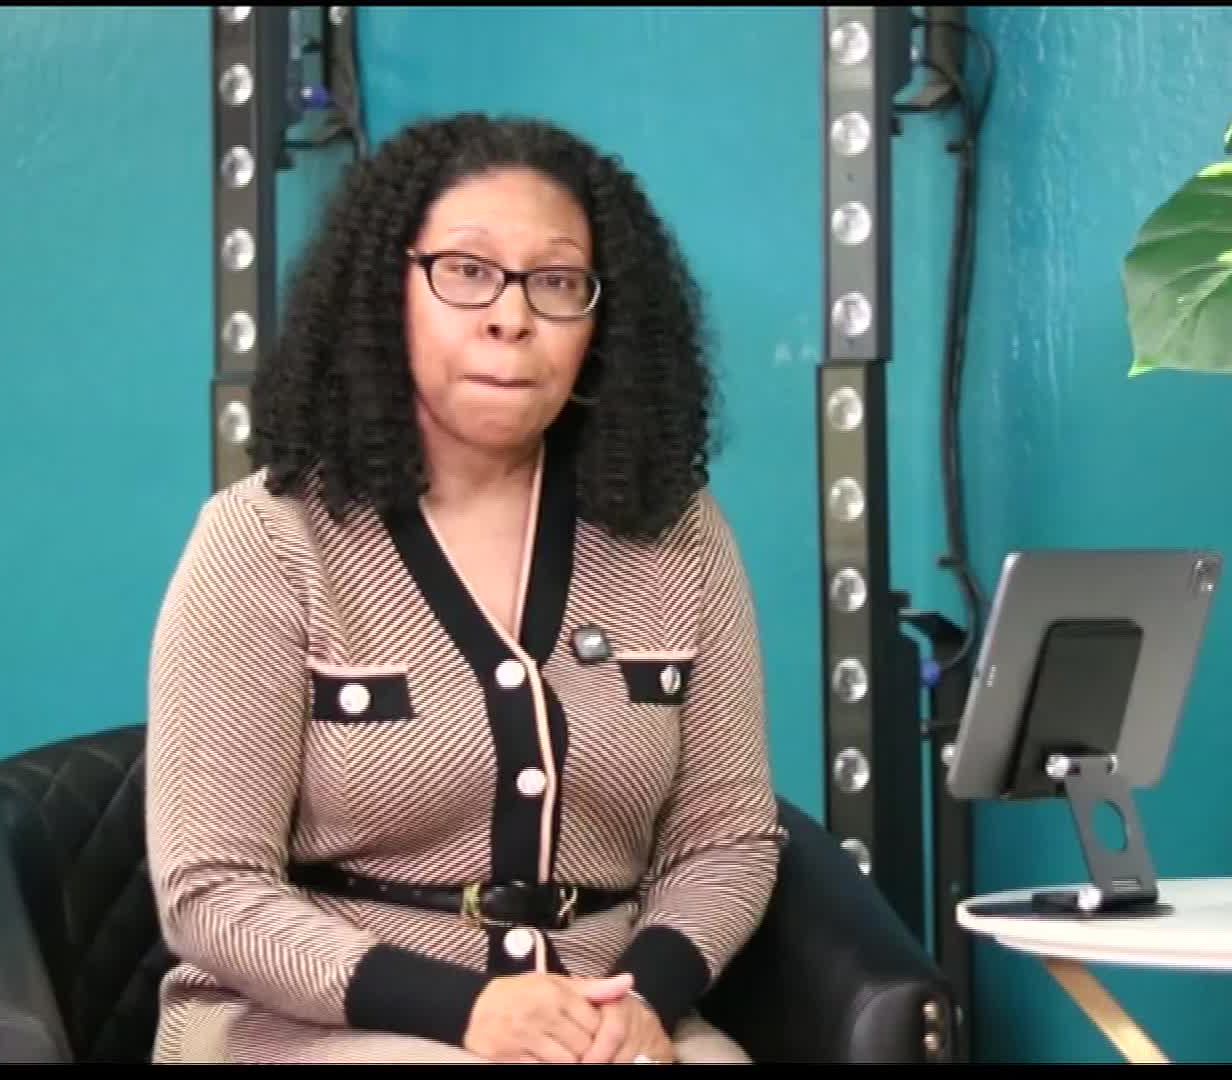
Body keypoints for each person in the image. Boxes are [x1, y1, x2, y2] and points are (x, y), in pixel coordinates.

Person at [144, 113, 786, 1064]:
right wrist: (469, 1013)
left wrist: (642, 1000)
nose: (512, 315)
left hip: (599, 1023)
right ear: (384, 293)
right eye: (467, 271)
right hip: (312, 1029)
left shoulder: (680, 537)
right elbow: (211, 887)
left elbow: (727, 841)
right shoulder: (265, 541)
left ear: (603, 323)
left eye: (558, 282)